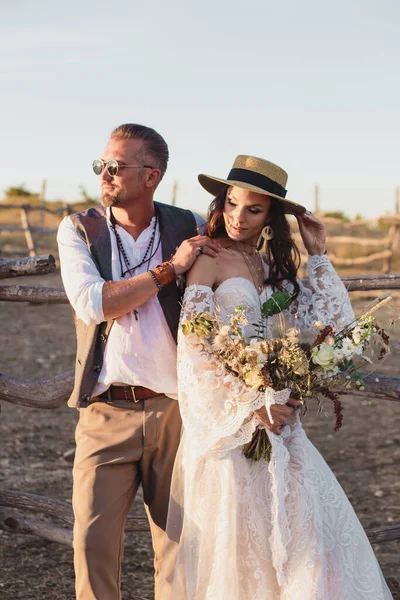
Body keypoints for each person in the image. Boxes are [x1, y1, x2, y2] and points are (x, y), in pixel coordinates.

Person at [162, 155, 393, 599]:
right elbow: (195, 348)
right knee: (244, 548)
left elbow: (333, 325)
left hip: (281, 423)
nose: (237, 218)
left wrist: (318, 253)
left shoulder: (270, 268)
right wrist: (252, 407)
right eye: (230, 204)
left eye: (252, 209)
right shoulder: (208, 257)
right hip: (233, 426)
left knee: (306, 540)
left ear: (271, 217)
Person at [57, 123, 220, 600]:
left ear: (152, 176)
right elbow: (93, 303)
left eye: (116, 166)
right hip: (106, 411)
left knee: (179, 545)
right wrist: (170, 269)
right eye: (100, 165)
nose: (104, 174)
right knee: (92, 542)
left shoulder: (190, 224)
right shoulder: (79, 229)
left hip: (177, 411)